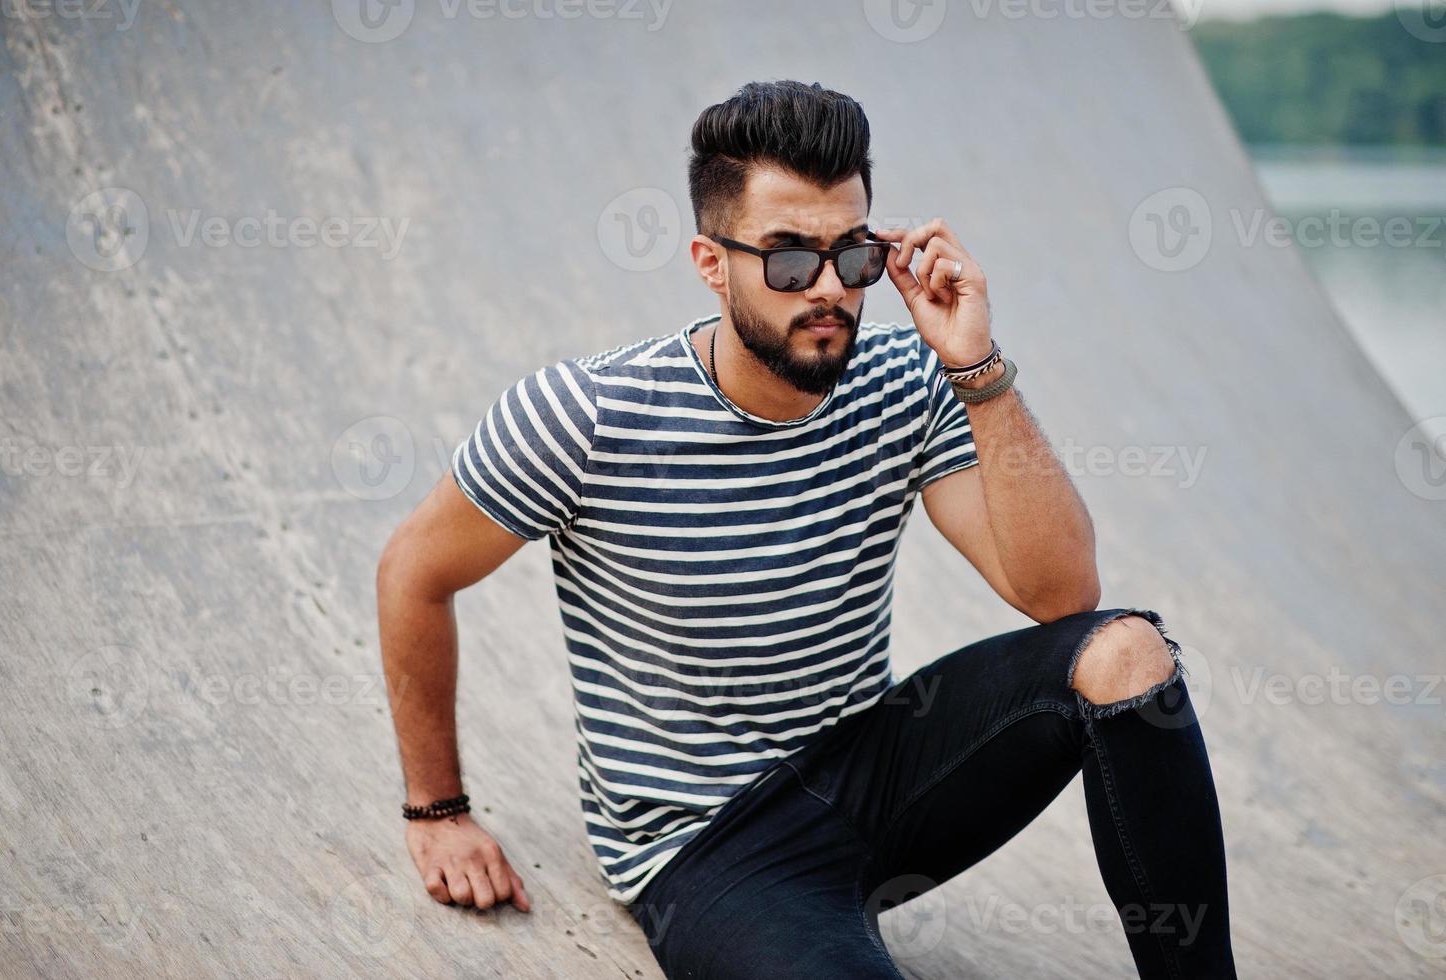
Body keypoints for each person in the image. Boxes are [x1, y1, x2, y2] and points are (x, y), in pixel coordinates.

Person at [375, 79, 1237, 979]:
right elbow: (414, 572)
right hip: (710, 845)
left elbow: (1059, 596)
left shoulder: (903, 376)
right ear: (712, 262)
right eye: (788, 260)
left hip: (874, 769)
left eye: (852, 255)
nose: (828, 290)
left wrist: (974, 365)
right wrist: (437, 811)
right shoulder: (587, 414)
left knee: (1127, 655)